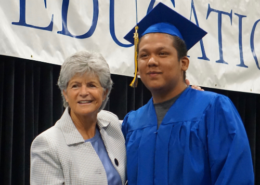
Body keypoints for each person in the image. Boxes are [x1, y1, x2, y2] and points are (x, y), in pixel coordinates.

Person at [122, 3, 254, 185]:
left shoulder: (214, 109)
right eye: (144, 55)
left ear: (184, 63)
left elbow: (234, 177)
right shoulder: (132, 123)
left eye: (162, 53)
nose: (151, 61)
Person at [30, 51, 126, 185]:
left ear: (105, 93)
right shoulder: (47, 144)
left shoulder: (113, 123)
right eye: (75, 85)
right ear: (65, 94)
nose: (84, 92)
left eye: (92, 85)